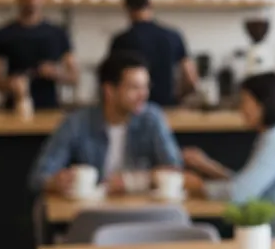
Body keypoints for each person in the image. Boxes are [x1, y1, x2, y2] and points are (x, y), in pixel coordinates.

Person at [182, 72, 275, 237]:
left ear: (262, 105)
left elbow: (240, 194)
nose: (241, 109)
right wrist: (207, 166)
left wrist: (200, 188)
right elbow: (248, 185)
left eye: (245, 101)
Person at [29, 50, 183, 194]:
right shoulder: (77, 122)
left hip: (142, 213)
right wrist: (55, 182)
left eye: (146, 87)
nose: (143, 95)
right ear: (109, 90)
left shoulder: (152, 118)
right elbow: (39, 176)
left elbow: (176, 170)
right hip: (92, 214)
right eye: (134, 88)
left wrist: (132, 182)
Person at [0, 0, 78, 111]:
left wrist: (55, 73)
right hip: (14, 109)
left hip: (49, 110)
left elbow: (74, 77)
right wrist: (10, 83)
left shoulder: (58, 33)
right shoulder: (3, 33)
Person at [108, 0, 197, 107]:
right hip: (169, 109)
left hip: (135, 110)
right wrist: (178, 98)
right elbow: (190, 78)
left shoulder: (121, 41)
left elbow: (111, 81)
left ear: (127, 8)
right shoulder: (173, 36)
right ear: (150, 4)